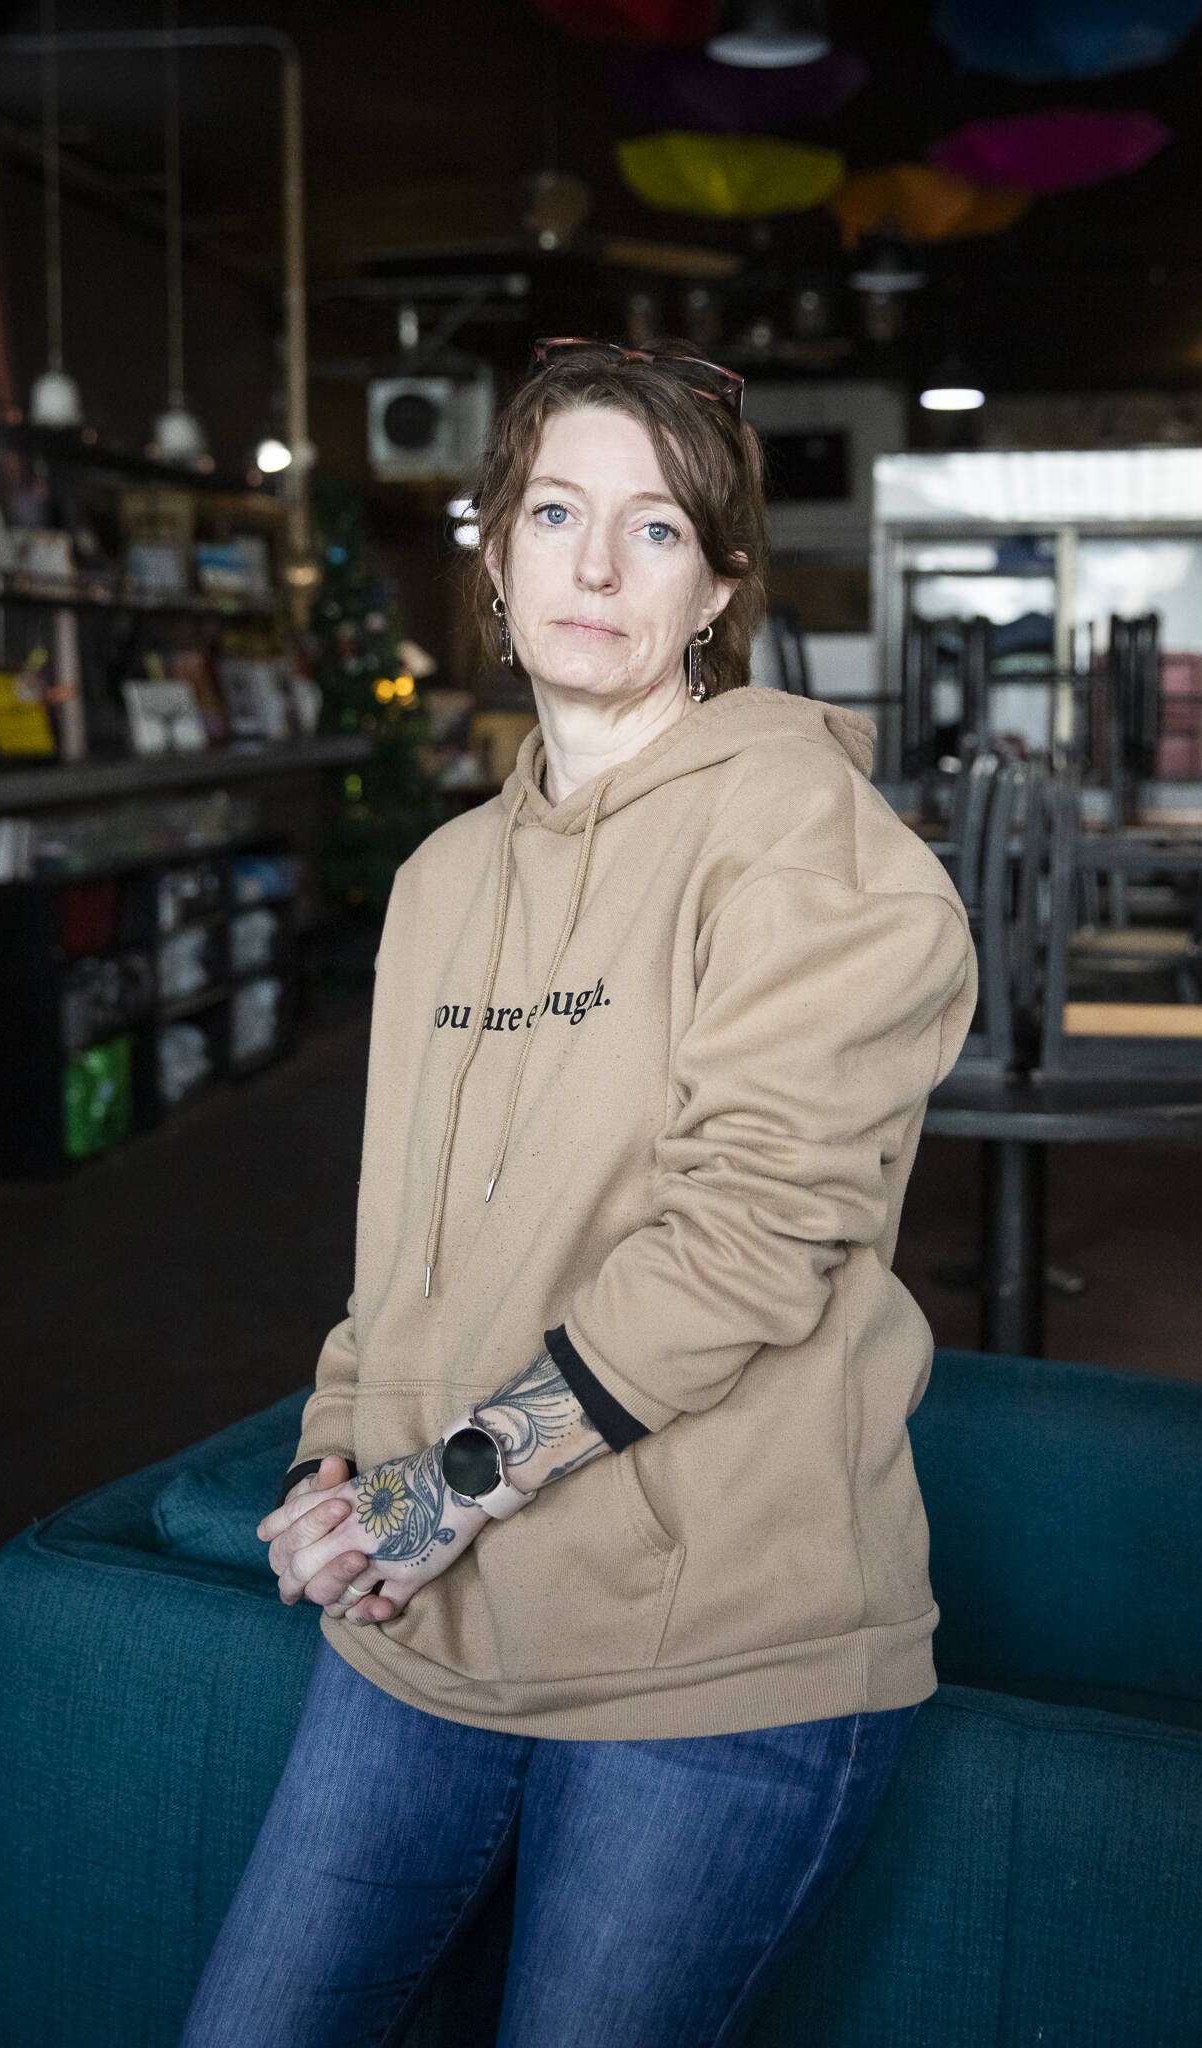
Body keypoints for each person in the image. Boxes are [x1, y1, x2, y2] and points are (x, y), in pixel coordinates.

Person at [179, 337, 976, 2048]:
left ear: (720, 590)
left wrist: (444, 1484)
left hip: (716, 1657)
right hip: (432, 1618)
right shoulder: (445, 876)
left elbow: (754, 1235)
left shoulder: (815, 845)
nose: (597, 567)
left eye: (658, 530)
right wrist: (340, 1459)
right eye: (555, 513)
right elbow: (403, 1241)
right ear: (495, 555)